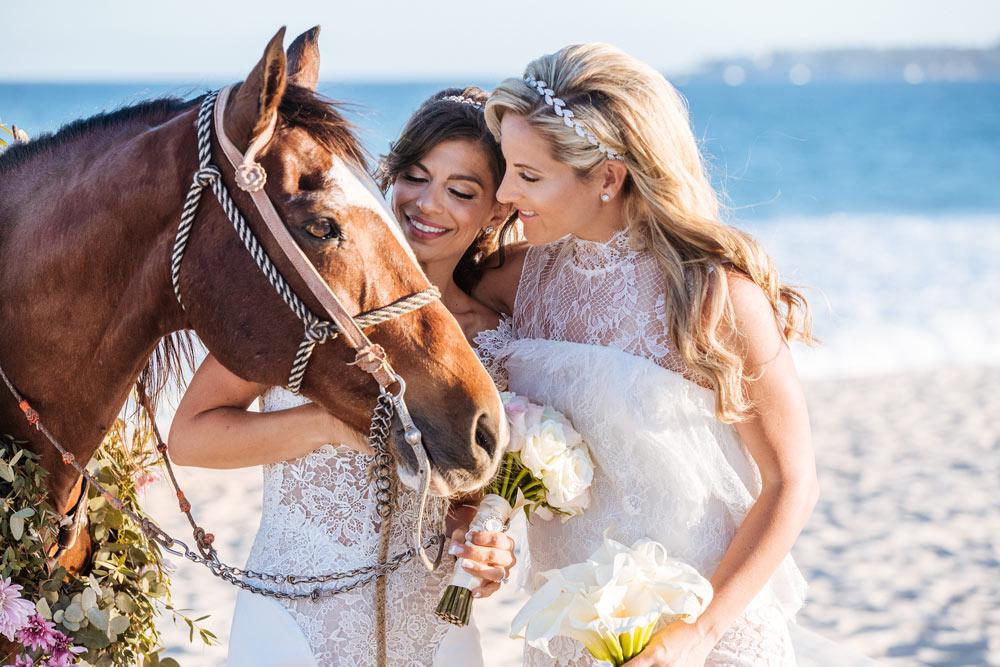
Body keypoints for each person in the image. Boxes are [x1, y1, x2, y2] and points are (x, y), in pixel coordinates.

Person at [473, 44, 819, 666]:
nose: (504, 192)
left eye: (528, 175)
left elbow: (791, 483)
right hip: (571, 628)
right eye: (505, 168)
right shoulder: (517, 281)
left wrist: (696, 635)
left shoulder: (712, 296)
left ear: (608, 178)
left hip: (699, 631)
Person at [168, 86, 517, 667]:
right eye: (414, 177)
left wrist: (488, 548)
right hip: (292, 627)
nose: (428, 204)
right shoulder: (311, 296)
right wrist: (327, 424)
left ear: (497, 212)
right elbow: (189, 436)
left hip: (435, 636)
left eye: (460, 191)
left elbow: (477, 498)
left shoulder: (494, 339)